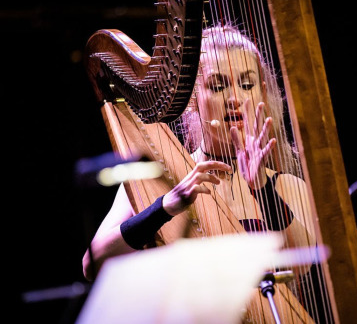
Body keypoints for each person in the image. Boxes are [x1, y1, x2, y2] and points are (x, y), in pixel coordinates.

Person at [82, 24, 317, 282]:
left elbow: (304, 262)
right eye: (218, 86)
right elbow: (93, 265)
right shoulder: (157, 180)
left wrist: (262, 189)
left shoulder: (286, 186)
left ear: (261, 91)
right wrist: (164, 208)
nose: (235, 98)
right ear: (193, 97)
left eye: (247, 84)